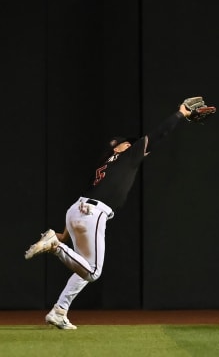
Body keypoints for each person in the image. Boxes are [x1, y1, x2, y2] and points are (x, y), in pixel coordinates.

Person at [24, 100, 195, 329]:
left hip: (78, 210)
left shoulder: (106, 164)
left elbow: (88, 196)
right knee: (93, 271)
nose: (136, 147)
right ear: (120, 147)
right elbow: (159, 133)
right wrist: (180, 114)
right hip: (93, 212)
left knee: (83, 268)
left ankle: (59, 310)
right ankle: (55, 246)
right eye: (130, 144)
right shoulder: (127, 156)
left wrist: (64, 234)